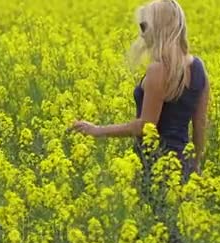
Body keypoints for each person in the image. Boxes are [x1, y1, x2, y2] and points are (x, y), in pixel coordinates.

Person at [68, 0, 209, 184]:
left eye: (144, 26)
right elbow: (200, 126)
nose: (141, 34)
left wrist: (97, 130)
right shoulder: (199, 68)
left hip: (155, 167)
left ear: (158, 26)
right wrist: (195, 166)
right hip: (183, 170)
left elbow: (146, 126)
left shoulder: (158, 70)